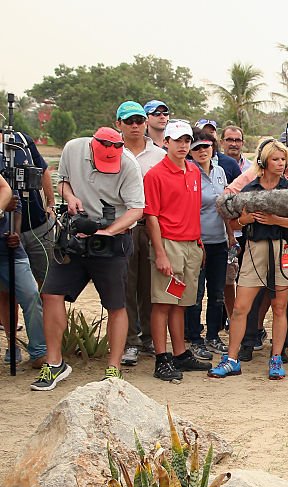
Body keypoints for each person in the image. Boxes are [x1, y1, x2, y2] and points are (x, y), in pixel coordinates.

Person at [31, 127, 145, 390]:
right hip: (75, 234)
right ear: (92, 148)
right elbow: (63, 181)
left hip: (113, 240)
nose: (108, 165)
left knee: (116, 305)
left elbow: (136, 210)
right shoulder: (73, 148)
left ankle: (113, 369)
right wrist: (70, 198)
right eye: (103, 159)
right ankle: (55, 362)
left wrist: (107, 231)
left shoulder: (129, 165)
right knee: (50, 293)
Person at [208, 140, 288, 380]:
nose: (281, 163)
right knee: (240, 308)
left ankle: (276, 358)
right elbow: (234, 223)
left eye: (282, 159)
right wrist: (245, 220)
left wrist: (278, 220)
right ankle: (232, 359)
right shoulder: (250, 189)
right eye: (275, 159)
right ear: (263, 162)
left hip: (282, 249)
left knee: (279, 307)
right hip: (254, 249)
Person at [144, 121, 210, 381]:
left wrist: (199, 242)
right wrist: (160, 253)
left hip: (191, 244)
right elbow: (151, 217)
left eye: (186, 140)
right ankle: (162, 358)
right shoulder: (155, 174)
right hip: (168, 243)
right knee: (163, 302)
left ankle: (180, 354)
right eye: (177, 140)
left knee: (181, 303)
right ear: (166, 142)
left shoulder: (193, 171)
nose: (183, 145)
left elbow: (193, 211)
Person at [118, 101, 167, 366]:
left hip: (151, 225)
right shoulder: (112, 152)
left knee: (151, 285)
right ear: (120, 125)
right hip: (122, 226)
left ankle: (149, 338)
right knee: (126, 285)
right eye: (129, 121)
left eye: (139, 120)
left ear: (145, 123)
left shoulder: (159, 155)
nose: (135, 126)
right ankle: (130, 341)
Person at [184, 130, 231, 358]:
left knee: (217, 293)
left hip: (220, 241)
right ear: (190, 152)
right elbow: (189, 210)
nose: (202, 151)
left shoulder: (220, 171)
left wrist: (231, 234)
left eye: (206, 146)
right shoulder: (188, 172)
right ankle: (194, 338)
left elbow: (224, 206)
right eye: (197, 147)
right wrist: (196, 241)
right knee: (195, 293)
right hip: (197, 243)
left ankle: (213, 335)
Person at [0, 177, 45, 368]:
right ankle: (12, 345)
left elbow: (15, 201)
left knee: (31, 295)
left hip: (8, 251)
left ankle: (39, 351)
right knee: (4, 299)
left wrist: (16, 233)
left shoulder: (9, 162)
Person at [4, 126, 56, 286]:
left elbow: (44, 171)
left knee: (47, 286)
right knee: (7, 291)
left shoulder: (21, 139)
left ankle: (40, 313)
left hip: (39, 226)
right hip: (5, 233)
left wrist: (51, 204)